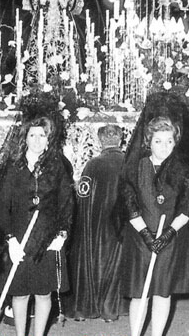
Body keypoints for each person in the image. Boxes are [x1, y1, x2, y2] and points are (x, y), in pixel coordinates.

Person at [0, 116, 74, 336]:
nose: (37, 140)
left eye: (42, 135)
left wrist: (62, 234)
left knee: (43, 293)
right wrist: (10, 239)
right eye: (32, 135)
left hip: (47, 238)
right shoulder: (13, 167)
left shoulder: (57, 166)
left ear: (49, 140)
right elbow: (2, 206)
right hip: (19, 237)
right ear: (25, 139)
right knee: (19, 293)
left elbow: (67, 202)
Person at [120, 116, 189, 336]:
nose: (164, 146)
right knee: (140, 293)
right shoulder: (136, 167)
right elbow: (129, 204)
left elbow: (186, 209)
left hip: (171, 239)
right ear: (148, 142)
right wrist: (147, 235)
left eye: (169, 141)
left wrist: (167, 234)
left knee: (163, 292)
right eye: (158, 141)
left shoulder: (182, 170)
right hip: (141, 238)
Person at [66, 124, 127, 321]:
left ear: (100, 140)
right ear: (120, 140)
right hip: (121, 224)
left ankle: (84, 309)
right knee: (115, 264)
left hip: (94, 223)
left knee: (91, 263)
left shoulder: (93, 164)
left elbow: (82, 193)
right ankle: (110, 310)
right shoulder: (128, 162)